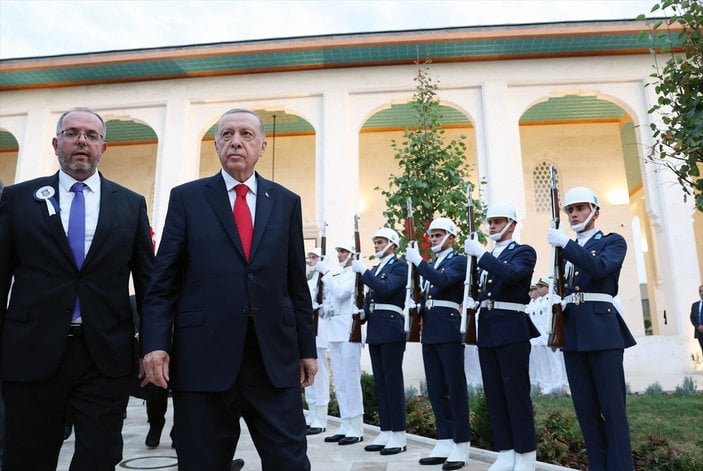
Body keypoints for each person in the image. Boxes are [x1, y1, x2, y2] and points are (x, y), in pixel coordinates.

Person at [141, 108, 316, 471]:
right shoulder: (188, 198)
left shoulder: (285, 202)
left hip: (272, 360)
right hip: (204, 359)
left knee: (290, 463)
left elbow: (296, 283)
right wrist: (155, 343)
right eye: (227, 134)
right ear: (217, 144)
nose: (236, 141)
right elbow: (163, 281)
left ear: (263, 146)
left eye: (247, 134)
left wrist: (306, 349)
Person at [0, 107, 155, 470]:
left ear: (104, 147)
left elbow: (149, 283)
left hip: (104, 355)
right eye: (72, 134)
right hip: (32, 352)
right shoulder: (20, 200)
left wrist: (152, 345)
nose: (81, 141)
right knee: (26, 457)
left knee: (98, 457)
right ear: (57, 144)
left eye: (91, 135)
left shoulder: (130, 205)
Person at [547, 187, 636, 471]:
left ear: (595, 212)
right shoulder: (564, 250)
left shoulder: (613, 242)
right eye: (570, 210)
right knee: (585, 410)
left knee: (612, 409)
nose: (574, 214)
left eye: (580, 208)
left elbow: (599, 269)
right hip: (573, 333)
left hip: (602, 330)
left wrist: (566, 245)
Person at [465, 203, 539, 471]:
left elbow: (510, 275)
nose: (492, 226)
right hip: (487, 329)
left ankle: (526, 454)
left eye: (498, 221)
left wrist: (481, 255)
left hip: (511, 329)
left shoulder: (524, 252)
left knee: (515, 393)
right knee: (495, 394)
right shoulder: (486, 257)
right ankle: (506, 451)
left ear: (512, 224)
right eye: (490, 222)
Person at [407, 218, 471, 470]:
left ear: (451, 237)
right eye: (431, 236)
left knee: (454, 387)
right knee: (436, 388)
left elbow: (444, 281)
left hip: (449, 327)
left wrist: (418, 262)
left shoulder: (459, 261)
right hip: (431, 328)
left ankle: (461, 443)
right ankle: (444, 438)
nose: (433, 239)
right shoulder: (432, 264)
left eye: (438, 235)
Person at [354, 228, 408, 455]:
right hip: (376, 327)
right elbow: (371, 297)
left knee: (392, 382)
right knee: (381, 383)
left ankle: (399, 434)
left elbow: (385, 289)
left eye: (380, 241)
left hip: (391, 326)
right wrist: (364, 312)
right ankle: (386, 430)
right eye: (375, 241)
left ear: (392, 244)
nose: (376, 245)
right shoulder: (377, 269)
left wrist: (365, 272)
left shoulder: (400, 266)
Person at [316, 240, 365, 445]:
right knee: (341, 381)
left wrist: (325, 274)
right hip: (335, 330)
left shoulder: (355, 273)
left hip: (349, 330)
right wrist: (322, 308)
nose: (339, 255)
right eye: (339, 251)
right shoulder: (339, 275)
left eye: (343, 251)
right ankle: (346, 424)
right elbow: (332, 301)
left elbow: (341, 293)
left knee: (351, 380)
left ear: (352, 254)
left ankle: (357, 427)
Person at [526, 277, 568, 393]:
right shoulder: (537, 302)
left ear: (549, 288)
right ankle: (546, 384)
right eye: (538, 287)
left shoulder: (554, 299)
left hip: (549, 335)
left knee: (554, 362)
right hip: (538, 337)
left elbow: (562, 308)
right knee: (542, 362)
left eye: (541, 287)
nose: (538, 289)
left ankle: (557, 385)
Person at [305, 247, 330, 435]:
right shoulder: (312, 279)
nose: (310, 260)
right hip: (310, 330)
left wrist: (320, 306)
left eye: (314, 257)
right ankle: (312, 414)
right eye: (310, 257)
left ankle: (321, 418)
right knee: (308, 373)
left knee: (319, 375)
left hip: (320, 329)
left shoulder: (328, 279)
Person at [690, 284, 703, 355]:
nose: (702, 293)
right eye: (700, 291)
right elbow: (692, 318)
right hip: (700, 332)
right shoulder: (695, 305)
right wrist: (698, 326)